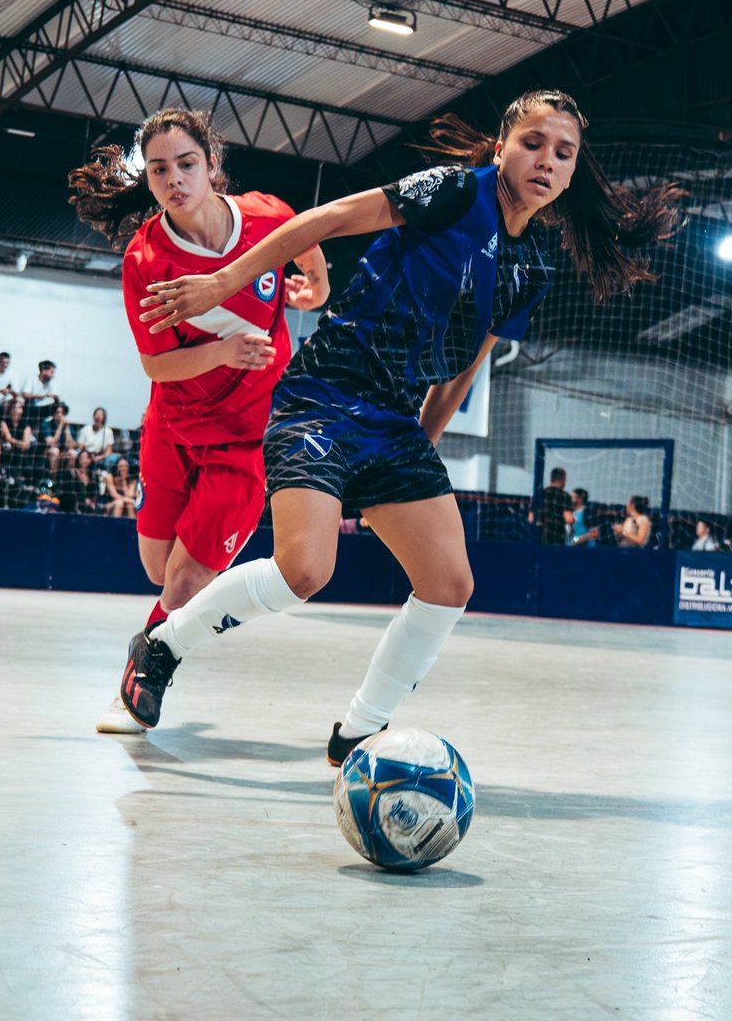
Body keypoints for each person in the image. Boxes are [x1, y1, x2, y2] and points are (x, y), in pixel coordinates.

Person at [113, 87, 680, 762]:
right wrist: (219, 283)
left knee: (450, 584)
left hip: (393, 425)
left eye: (564, 153)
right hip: (325, 392)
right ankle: (163, 645)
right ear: (502, 147)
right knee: (305, 571)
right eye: (532, 143)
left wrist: (421, 455)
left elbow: (464, 368)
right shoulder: (449, 191)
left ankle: (358, 729)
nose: (546, 161)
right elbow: (320, 222)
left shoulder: (532, 267)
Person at [69, 106, 329, 733]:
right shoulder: (146, 260)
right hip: (172, 425)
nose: (174, 179)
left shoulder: (266, 217)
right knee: (159, 569)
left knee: (184, 579)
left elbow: (308, 244)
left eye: (186, 164)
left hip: (245, 440)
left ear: (212, 165)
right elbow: (157, 368)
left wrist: (314, 286)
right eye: (159, 170)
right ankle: (170, 621)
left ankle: (137, 685)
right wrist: (223, 352)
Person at [40, 401, 76, 475]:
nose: (60, 415)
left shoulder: (69, 427)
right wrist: (60, 426)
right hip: (47, 452)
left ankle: (66, 478)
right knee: (55, 451)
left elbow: (71, 446)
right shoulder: (46, 424)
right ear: (53, 413)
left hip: (62, 452)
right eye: (58, 412)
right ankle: (54, 480)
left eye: (63, 413)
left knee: (72, 453)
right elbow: (50, 443)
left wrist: (66, 428)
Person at [539, 466, 573, 545]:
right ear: (563, 479)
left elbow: (531, 518)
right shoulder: (565, 496)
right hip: (557, 537)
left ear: (551, 478)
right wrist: (571, 529)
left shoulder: (539, 494)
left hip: (540, 539)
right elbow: (568, 519)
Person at [21, 359, 59, 430]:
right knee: (29, 402)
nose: (53, 375)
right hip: (32, 407)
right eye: (51, 372)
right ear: (44, 371)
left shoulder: (52, 381)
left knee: (59, 405)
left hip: (44, 408)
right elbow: (25, 394)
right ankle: (27, 428)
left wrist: (55, 397)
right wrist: (43, 396)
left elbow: (55, 395)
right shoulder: (31, 379)